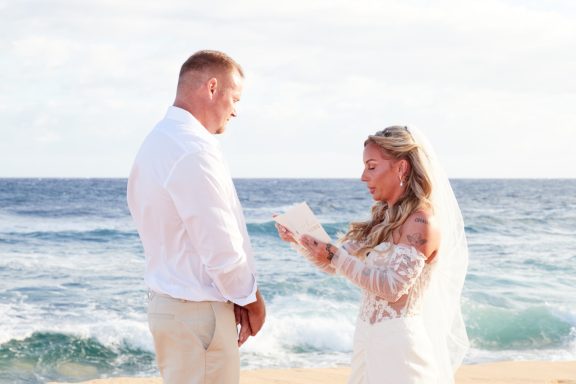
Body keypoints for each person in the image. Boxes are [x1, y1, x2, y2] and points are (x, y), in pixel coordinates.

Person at [276, 126, 469, 384]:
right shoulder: (381, 221)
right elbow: (334, 264)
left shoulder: (421, 223)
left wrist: (334, 256)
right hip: (367, 339)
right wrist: (298, 239)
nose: (363, 177)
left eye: (372, 166)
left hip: (400, 350)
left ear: (401, 168)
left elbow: (393, 288)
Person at [127, 50, 266, 384]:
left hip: (171, 308)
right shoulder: (193, 149)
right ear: (212, 87)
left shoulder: (155, 143)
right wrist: (252, 300)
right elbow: (220, 246)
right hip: (197, 313)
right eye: (234, 98)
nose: (235, 110)